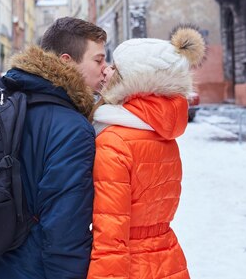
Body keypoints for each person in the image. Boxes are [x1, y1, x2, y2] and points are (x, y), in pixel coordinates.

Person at [0, 17, 109, 279]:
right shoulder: (72, 128)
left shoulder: (0, 102)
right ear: (66, 61)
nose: (105, 69)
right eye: (98, 60)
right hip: (26, 268)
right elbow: (65, 228)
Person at [87, 26, 206, 279]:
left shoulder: (114, 140)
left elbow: (111, 231)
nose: (106, 70)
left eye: (116, 68)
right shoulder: (162, 132)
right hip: (167, 257)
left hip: (131, 263)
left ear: (134, 79)